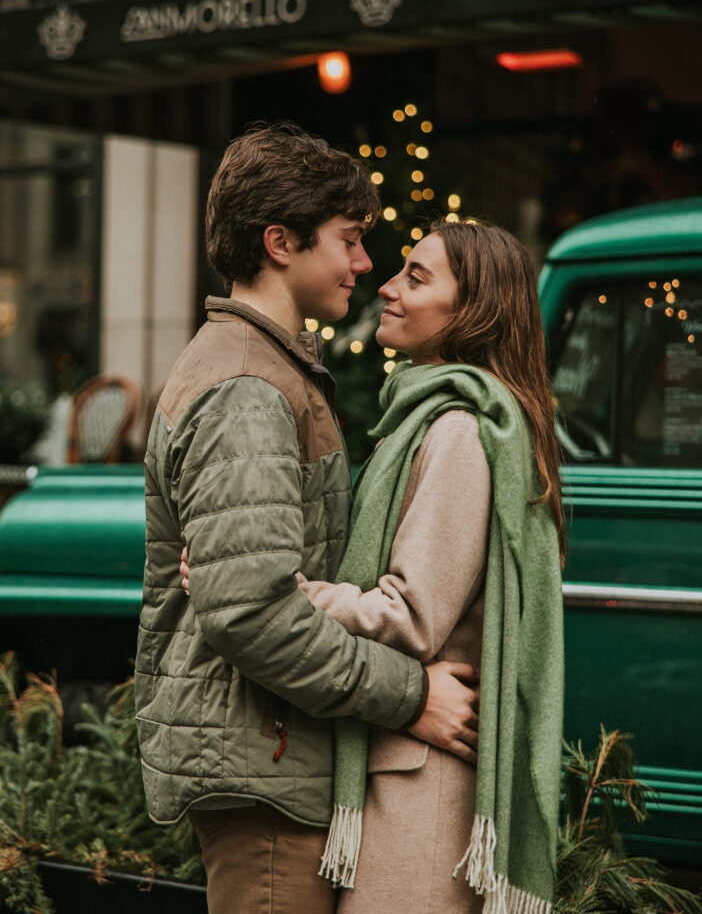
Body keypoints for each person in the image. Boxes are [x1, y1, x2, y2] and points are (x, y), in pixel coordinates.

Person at [134, 122, 480, 914]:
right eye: (351, 240)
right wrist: (410, 695)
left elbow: (251, 588)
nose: (365, 263)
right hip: (264, 772)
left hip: (274, 757)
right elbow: (252, 612)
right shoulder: (249, 389)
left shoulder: (268, 370)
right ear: (281, 242)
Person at [181, 218, 565, 913]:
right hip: (408, 766)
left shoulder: (456, 431)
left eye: (416, 278)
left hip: (423, 787)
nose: (385, 285)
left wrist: (288, 592)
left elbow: (411, 616)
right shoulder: (429, 419)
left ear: (473, 309)